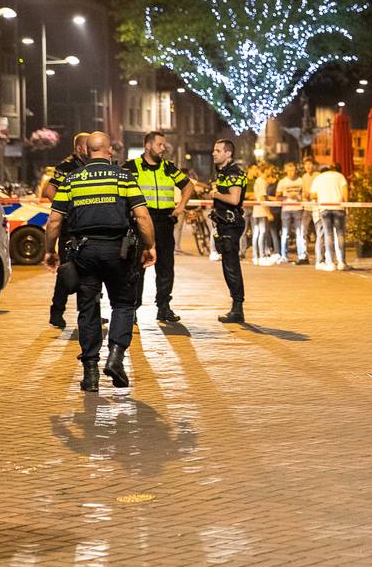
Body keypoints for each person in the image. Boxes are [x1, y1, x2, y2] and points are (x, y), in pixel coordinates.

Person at [43, 131, 156, 392]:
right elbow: (142, 216)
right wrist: (149, 246)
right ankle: (115, 356)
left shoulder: (72, 180)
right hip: (118, 252)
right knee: (124, 304)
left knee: (88, 309)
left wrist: (50, 251)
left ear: (87, 151)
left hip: (84, 253)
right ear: (108, 151)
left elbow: (54, 220)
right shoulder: (123, 177)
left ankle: (90, 373)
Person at [126, 131, 194, 322]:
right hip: (141, 222)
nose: (163, 148)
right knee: (137, 267)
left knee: (166, 267)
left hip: (164, 221)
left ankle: (163, 307)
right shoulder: (131, 167)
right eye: (160, 145)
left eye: (164, 145)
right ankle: (133, 308)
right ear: (148, 146)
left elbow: (188, 186)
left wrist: (180, 207)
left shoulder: (168, 167)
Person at [42, 132, 90, 329]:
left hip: (86, 226)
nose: (91, 148)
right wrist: (65, 208)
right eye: (87, 145)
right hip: (70, 229)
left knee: (89, 272)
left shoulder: (91, 165)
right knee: (67, 271)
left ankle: (88, 312)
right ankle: (57, 312)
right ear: (78, 148)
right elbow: (49, 190)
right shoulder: (66, 167)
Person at [207, 139, 248, 322]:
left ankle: (237, 308)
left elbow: (234, 199)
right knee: (228, 266)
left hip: (231, 224)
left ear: (228, 153)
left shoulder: (233, 173)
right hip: (224, 223)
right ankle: (236, 307)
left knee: (231, 266)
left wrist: (215, 194)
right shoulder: (223, 172)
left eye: (217, 150)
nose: (214, 153)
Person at [309, 163, 349, 271]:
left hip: (324, 208)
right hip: (338, 207)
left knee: (328, 234)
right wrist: (347, 206)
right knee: (340, 234)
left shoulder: (318, 178)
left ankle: (330, 263)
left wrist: (323, 195)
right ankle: (342, 262)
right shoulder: (340, 176)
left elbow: (312, 195)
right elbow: (345, 192)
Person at [276, 161, 308, 264]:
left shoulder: (300, 181)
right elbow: (277, 197)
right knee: (285, 233)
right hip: (286, 209)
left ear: (296, 170)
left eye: (293, 170)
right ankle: (284, 255)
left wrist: (299, 197)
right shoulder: (282, 182)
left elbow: (305, 194)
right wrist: (287, 197)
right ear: (286, 171)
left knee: (299, 233)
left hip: (298, 209)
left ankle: (301, 255)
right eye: (289, 170)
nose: (291, 172)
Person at [250, 164, 273, 265]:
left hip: (256, 210)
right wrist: (268, 213)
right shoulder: (262, 182)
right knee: (262, 233)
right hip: (262, 211)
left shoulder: (258, 181)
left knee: (256, 233)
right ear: (266, 170)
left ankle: (256, 256)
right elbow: (263, 198)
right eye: (270, 170)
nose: (271, 172)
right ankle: (262, 256)